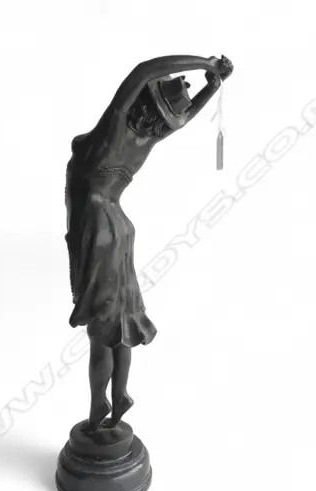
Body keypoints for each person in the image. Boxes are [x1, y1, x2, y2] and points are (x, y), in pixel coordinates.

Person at [65, 54, 234, 430]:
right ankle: (119, 394)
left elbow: (143, 71)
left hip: (97, 229)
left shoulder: (112, 132)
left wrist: (205, 64)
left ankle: (98, 406)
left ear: (142, 103)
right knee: (120, 325)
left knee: (101, 331)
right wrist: (211, 84)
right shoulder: (148, 139)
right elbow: (184, 118)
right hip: (119, 229)